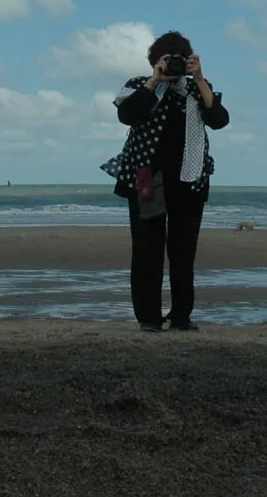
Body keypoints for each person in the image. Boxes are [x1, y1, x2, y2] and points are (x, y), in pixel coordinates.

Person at [100, 31, 230, 332]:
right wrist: (155, 80)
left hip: (190, 180)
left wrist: (199, 78)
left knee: (184, 251)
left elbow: (220, 120)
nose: (172, 65)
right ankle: (148, 318)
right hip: (146, 180)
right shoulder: (138, 86)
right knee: (147, 250)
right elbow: (129, 115)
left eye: (178, 60)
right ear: (154, 61)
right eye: (166, 60)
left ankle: (181, 316)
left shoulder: (198, 89)